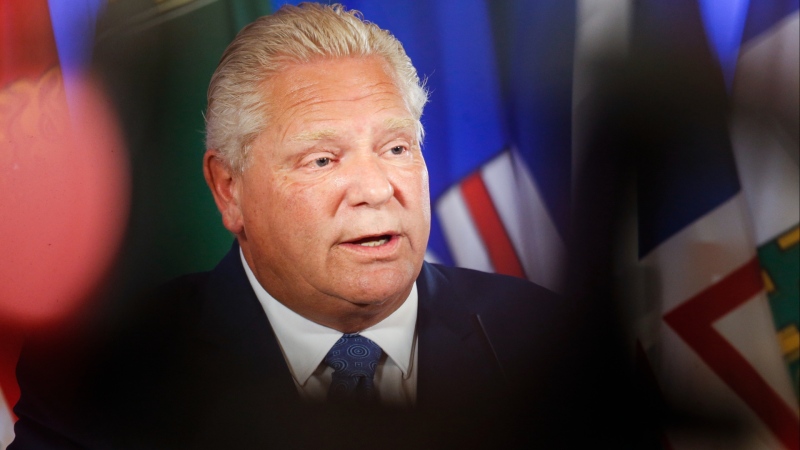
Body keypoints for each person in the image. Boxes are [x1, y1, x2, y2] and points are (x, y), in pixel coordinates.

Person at [11, 3, 592, 448]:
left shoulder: (546, 345)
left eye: (395, 148)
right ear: (228, 189)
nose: (374, 190)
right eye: (322, 159)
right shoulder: (105, 385)